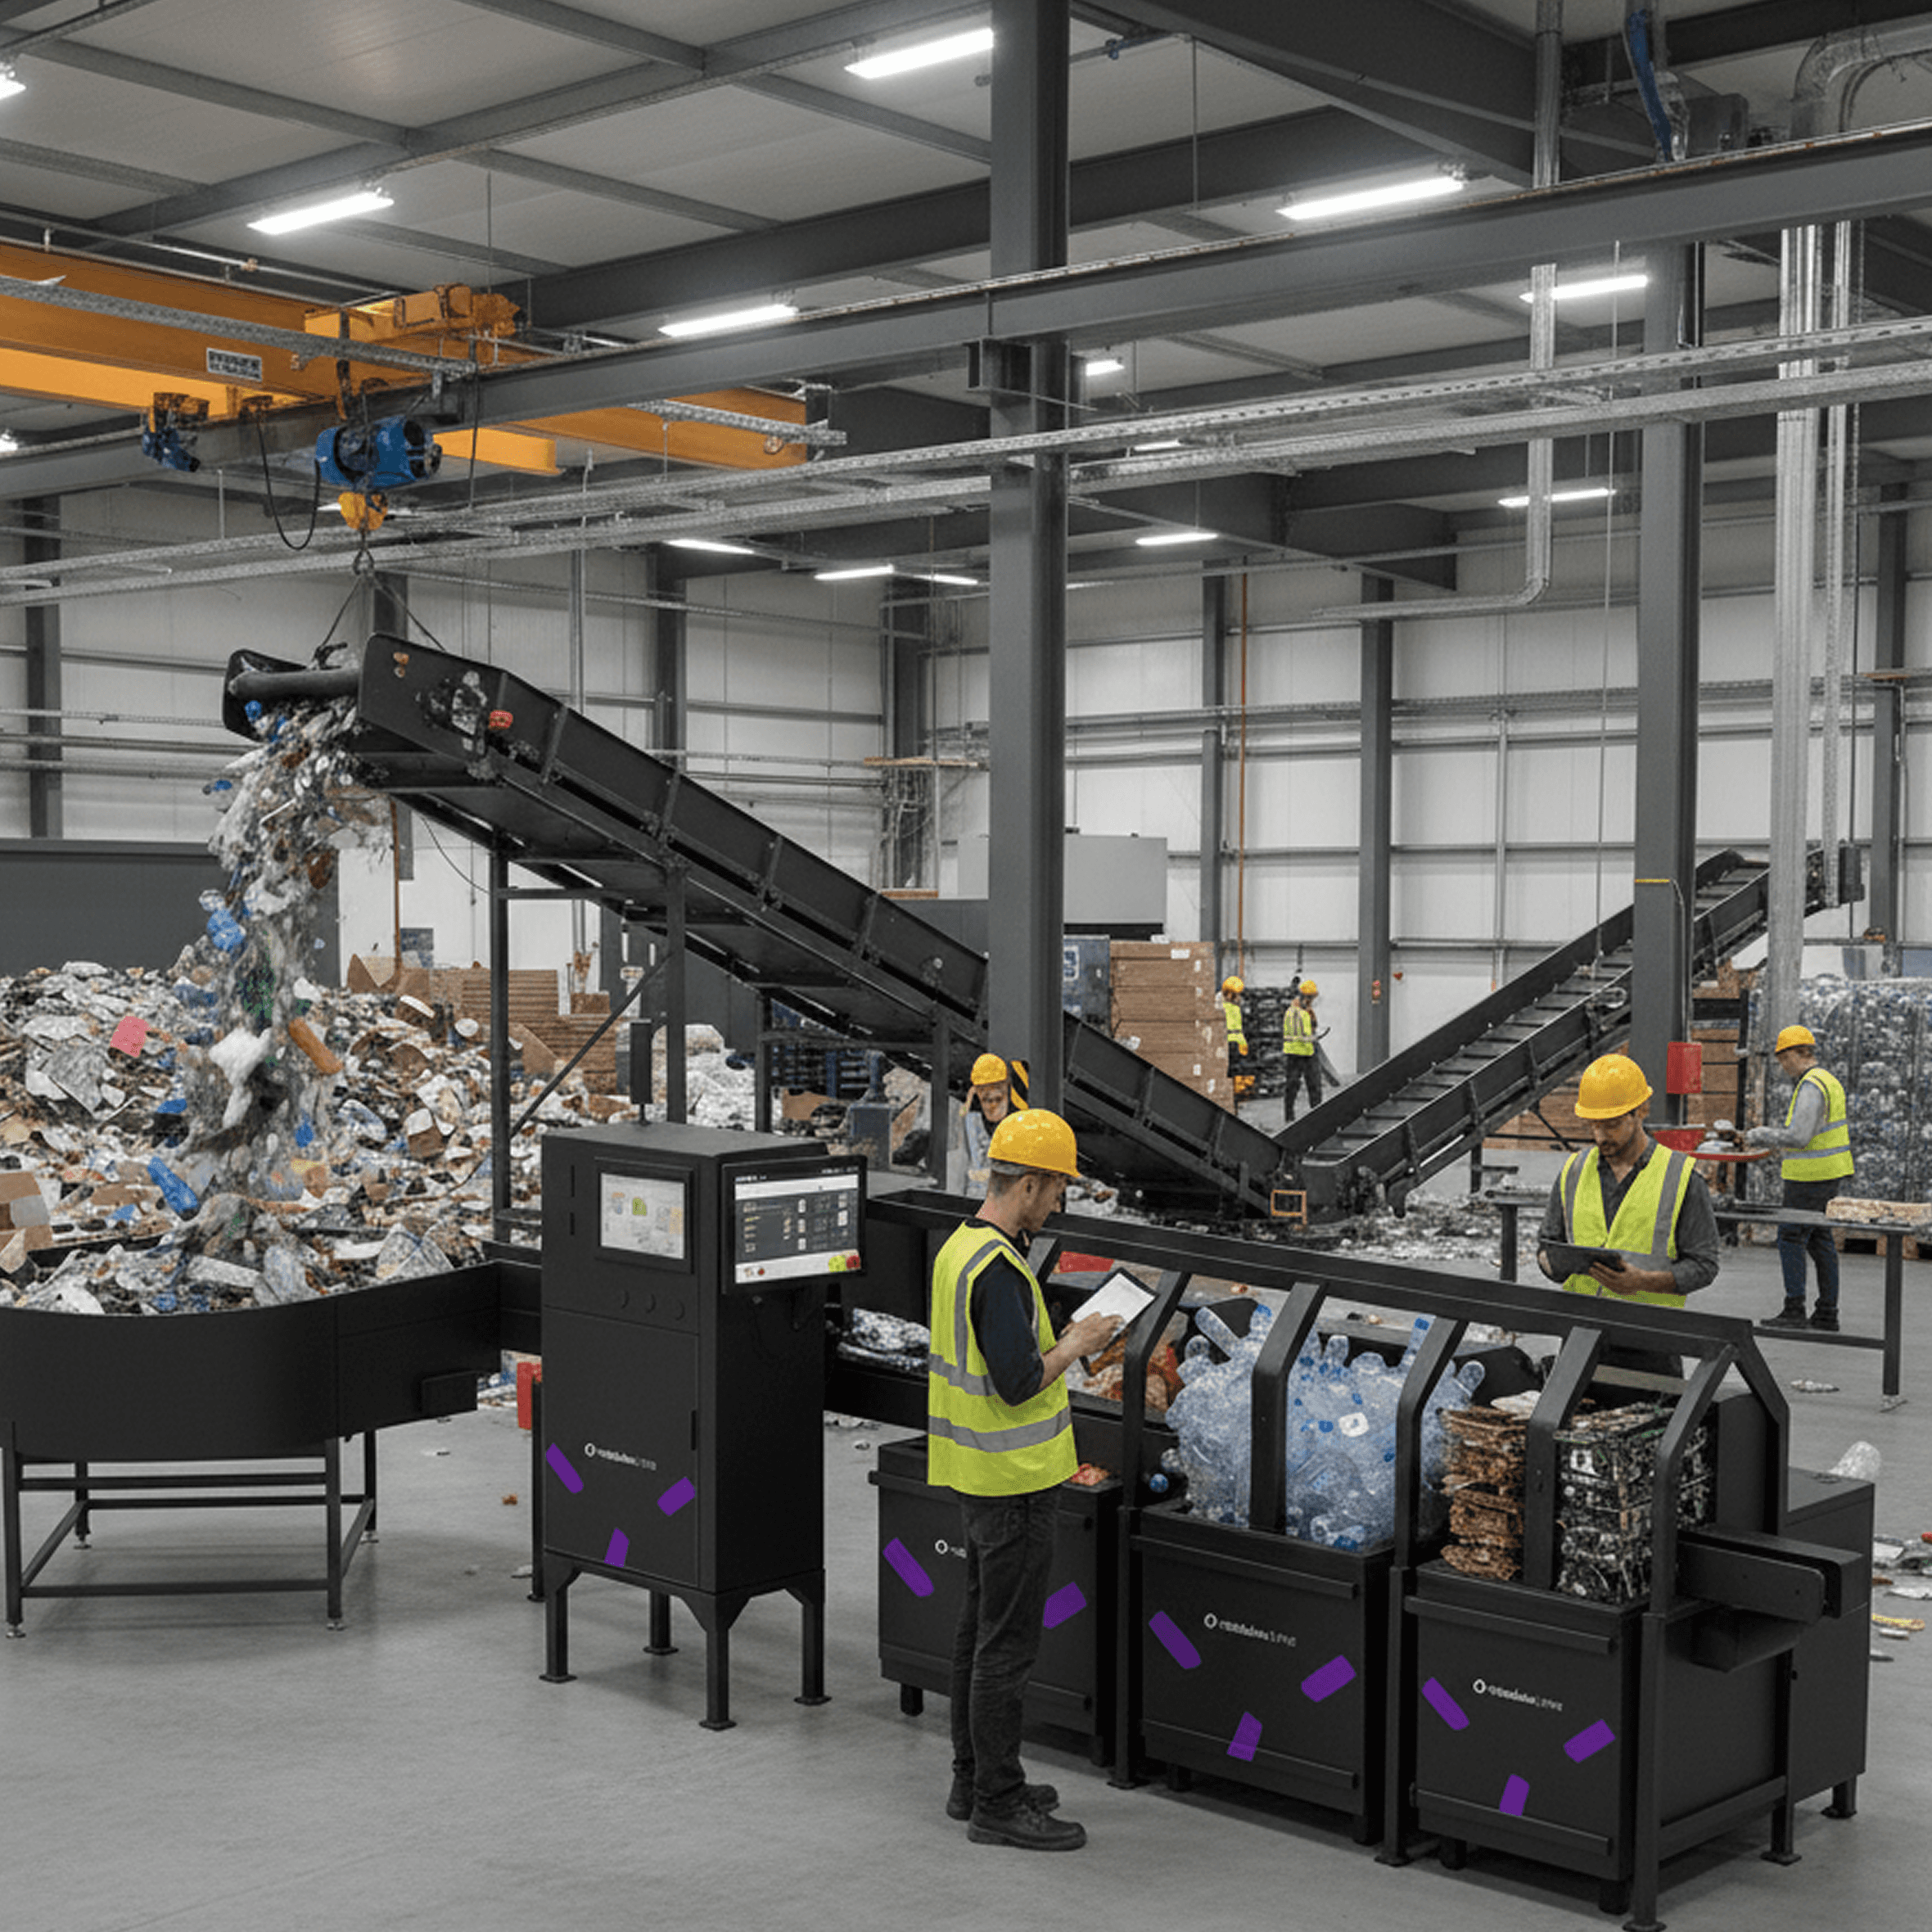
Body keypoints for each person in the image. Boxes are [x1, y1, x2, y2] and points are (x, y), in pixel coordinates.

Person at [928, 1108, 1118, 1852]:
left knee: (977, 1633)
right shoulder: (1000, 1271)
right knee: (1007, 1648)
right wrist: (1077, 1342)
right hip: (1012, 1481)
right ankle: (1000, 1804)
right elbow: (1015, 1382)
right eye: (1057, 1189)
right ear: (1029, 1183)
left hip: (978, 1474)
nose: (1059, 1203)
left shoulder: (960, 1249)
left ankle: (972, 1778)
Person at [1535, 1052, 1721, 1379]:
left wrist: (1642, 1282)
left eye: (1612, 1124)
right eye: (1594, 1125)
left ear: (1641, 1112)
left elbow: (1704, 1265)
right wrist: (1551, 1263)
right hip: (1580, 1339)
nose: (1601, 1136)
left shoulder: (1681, 1178)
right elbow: (1547, 1244)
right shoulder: (1573, 1172)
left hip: (1650, 1345)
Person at [1745, 1024, 1853, 1331]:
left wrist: (1762, 1135)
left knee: (1790, 1236)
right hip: (1827, 1173)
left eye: (1783, 1059)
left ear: (1796, 1053)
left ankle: (1794, 1309)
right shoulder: (1828, 1081)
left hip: (1810, 1177)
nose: (1782, 1066)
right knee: (1820, 1241)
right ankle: (1827, 1312)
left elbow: (1800, 1135)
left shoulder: (1811, 1085)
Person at [950, 1053, 1027, 1194]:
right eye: (983, 1092)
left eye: (995, 1089)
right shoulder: (982, 1117)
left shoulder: (1022, 1105)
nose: (991, 1103)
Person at [1282, 979, 1322, 1119]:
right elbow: (1305, 1033)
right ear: (1306, 997)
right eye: (1312, 998)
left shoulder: (1302, 1011)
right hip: (1299, 1053)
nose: (1313, 1001)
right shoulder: (1297, 1013)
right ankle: (1313, 1115)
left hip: (1302, 1052)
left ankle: (1291, 1115)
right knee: (1306, 1085)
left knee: (1304, 1086)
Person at [1221, 975, 1248, 1083]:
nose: (1239, 998)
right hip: (1233, 1042)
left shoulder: (1233, 1008)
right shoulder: (1226, 1008)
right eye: (1238, 995)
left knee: (1234, 1070)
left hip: (1234, 1042)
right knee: (1234, 1069)